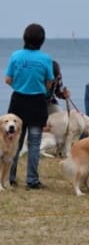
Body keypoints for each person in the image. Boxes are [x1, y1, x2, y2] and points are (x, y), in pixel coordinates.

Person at [5, 23, 54, 189]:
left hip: (18, 101)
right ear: (42, 40)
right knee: (34, 143)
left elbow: (8, 79)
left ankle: (9, 177)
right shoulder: (46, 59)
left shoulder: (16, 56)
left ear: (25, 38)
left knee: (13, 142)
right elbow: (49, 82)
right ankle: (32, 180)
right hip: (37, 103)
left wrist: (20, 86)